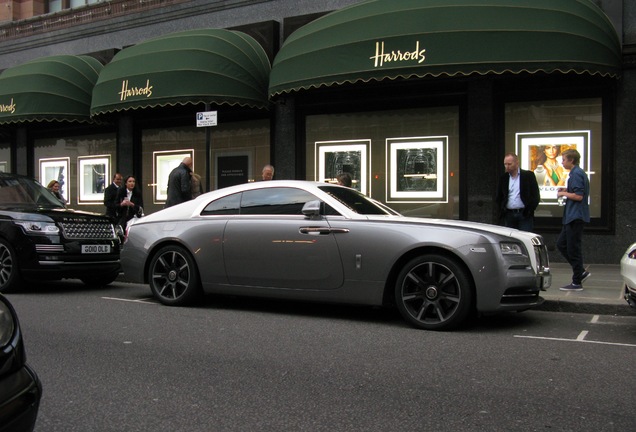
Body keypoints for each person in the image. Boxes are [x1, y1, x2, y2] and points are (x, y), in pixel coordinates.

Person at [557, 149, 591, 291]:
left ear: (571, 160)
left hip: (575, 216)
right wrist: (566, 189)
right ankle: (580, 271)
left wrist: (563, 193)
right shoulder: (576, 173)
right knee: (562, 244)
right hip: (571, 216)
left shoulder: (576, 173)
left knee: (573, 248)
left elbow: (579, 196)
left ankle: (577, 281)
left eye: (564, 160)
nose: (562, 162)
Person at [495, 153, 540, 232]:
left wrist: (529, 210)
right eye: (505, 164)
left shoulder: (528, 176)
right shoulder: (503, 178)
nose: (507, 166)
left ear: (516, 163)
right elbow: (499, 196)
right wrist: (502, 209)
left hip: (524, 213)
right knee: (510, 239)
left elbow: (535, 195)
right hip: (509, 214)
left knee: (525, 236)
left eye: (509, 164)